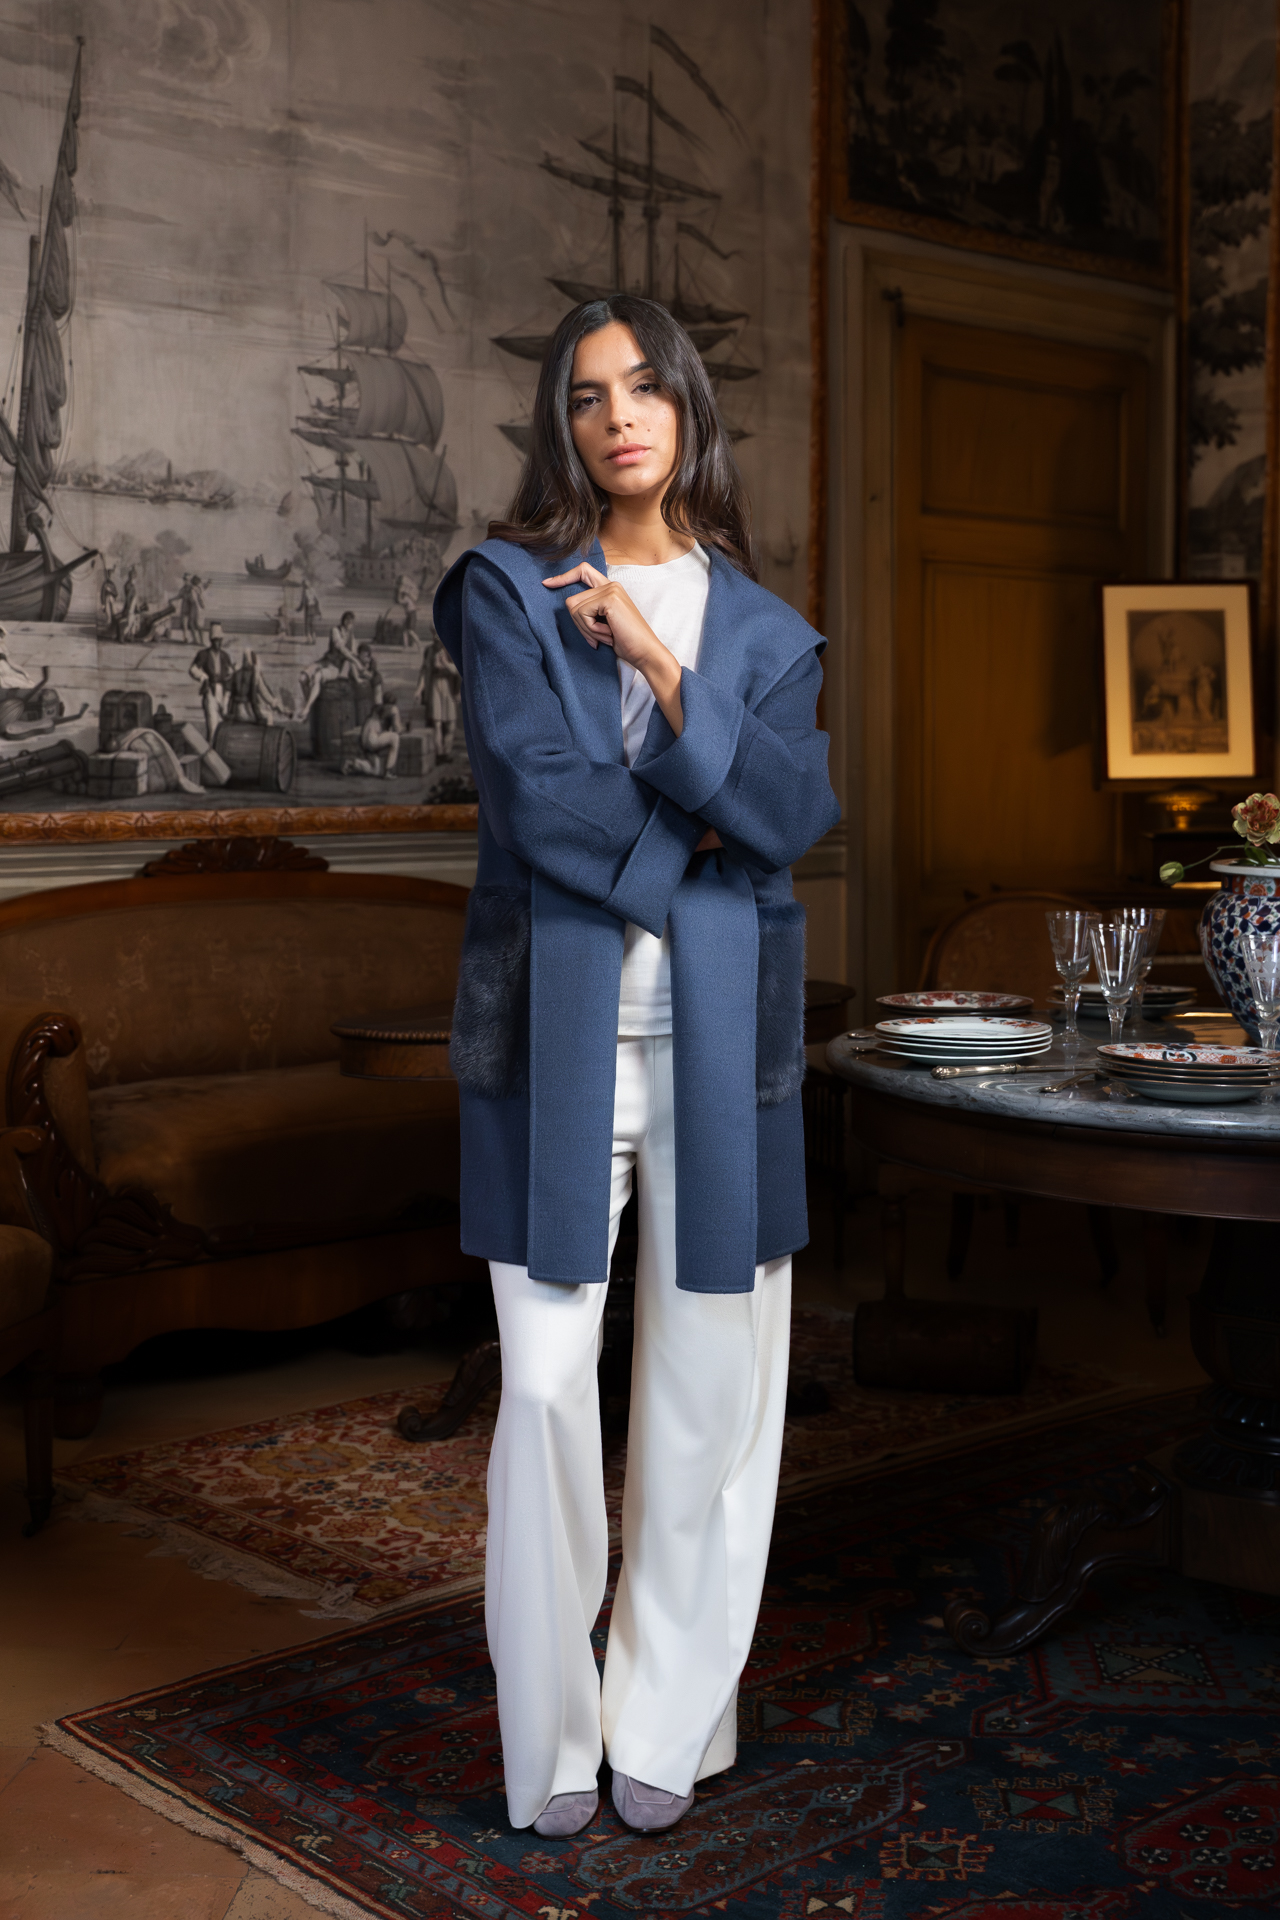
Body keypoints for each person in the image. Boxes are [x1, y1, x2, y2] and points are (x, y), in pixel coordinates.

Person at [433, 295, 839, 1841]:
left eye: (647, 387)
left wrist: (665, 668)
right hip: (552, 1034)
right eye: (590, 393)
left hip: (730, 1041)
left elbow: (794, 817)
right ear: (563, 422)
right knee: (546, 1389)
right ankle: (551, 1739)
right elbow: (539, 802)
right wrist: (718, 835)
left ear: (688, 412)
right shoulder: (507, 591)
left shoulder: (767, 632)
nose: (620, 416)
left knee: (709, 1396)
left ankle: (668, 1715)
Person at [298, 610, 360, 718]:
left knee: (317, 676)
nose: (350, 625)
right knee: (302, 678)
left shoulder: (352, 638)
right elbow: (341, 648)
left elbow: (353, 655)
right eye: (349, 622)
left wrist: (357, 672)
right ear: (345, 621)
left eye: (351, 622)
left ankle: (307, 708)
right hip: (324, 661)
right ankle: (310, 705)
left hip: (335, 668)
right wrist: (356, 661)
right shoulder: (335, 630)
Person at [415, 631, 460, 760]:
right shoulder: (429, 651)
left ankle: (446, 751)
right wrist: (419, 690)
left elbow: (458, 670)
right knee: (437, 723)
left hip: (449, 686)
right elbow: (425, 672)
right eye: (434, 634)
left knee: (451, 723)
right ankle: (440, 753)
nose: (436, 637)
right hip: (435, 686)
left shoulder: (452, 649)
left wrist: (445, 663)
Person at [190, 623, 234, 742]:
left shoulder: (225, 656)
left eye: (219, 640)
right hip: (210, 692)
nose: (218, 643)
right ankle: (211, 749)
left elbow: (230, 673)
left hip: (223, 693)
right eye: (215, 640)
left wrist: (230, 674)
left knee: (224, 727)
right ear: (211, 641)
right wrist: (203, 676)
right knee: (213, 727)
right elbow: (193, 669)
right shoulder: (203, 654)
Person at [341, 696, 403, 776]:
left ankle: (351, 763)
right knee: (395, 737)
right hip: (372, 739)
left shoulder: (376, 708)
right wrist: (403, 728)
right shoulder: (392, 709)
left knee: (375, 770)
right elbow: (398, 729)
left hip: (365, 740)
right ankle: (389, 771)